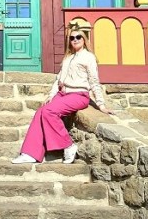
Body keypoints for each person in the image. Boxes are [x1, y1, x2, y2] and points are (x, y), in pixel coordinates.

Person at [12, 30, 112, 164]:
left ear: (84, 40)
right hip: (62, 94)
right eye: (72, 38)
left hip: (79, 94)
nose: (75, 40)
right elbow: (58, 79)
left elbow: (94, 81)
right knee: (41, 111)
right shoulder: (68, 58)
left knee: (49, 111)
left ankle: (68, 146)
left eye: (78, 37)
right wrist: (51, 95)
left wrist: (101, 104)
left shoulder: (89, 57)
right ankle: (30, 153)